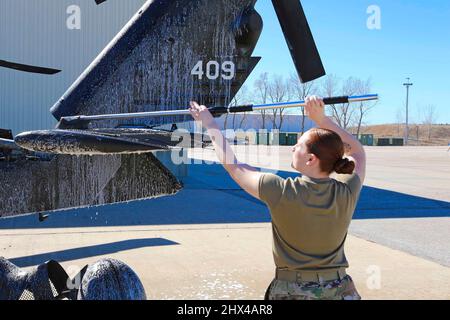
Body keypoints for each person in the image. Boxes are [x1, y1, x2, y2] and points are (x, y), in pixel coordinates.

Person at [188, 95, 365, 300]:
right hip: (341, 289)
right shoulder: (347, 190)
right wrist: (321, 119)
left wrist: (209, 123)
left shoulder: (280, 190)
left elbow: (234, 166)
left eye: (298, 145)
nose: (293, 148)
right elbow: (358, 152)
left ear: (310, 159)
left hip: (294, 291)